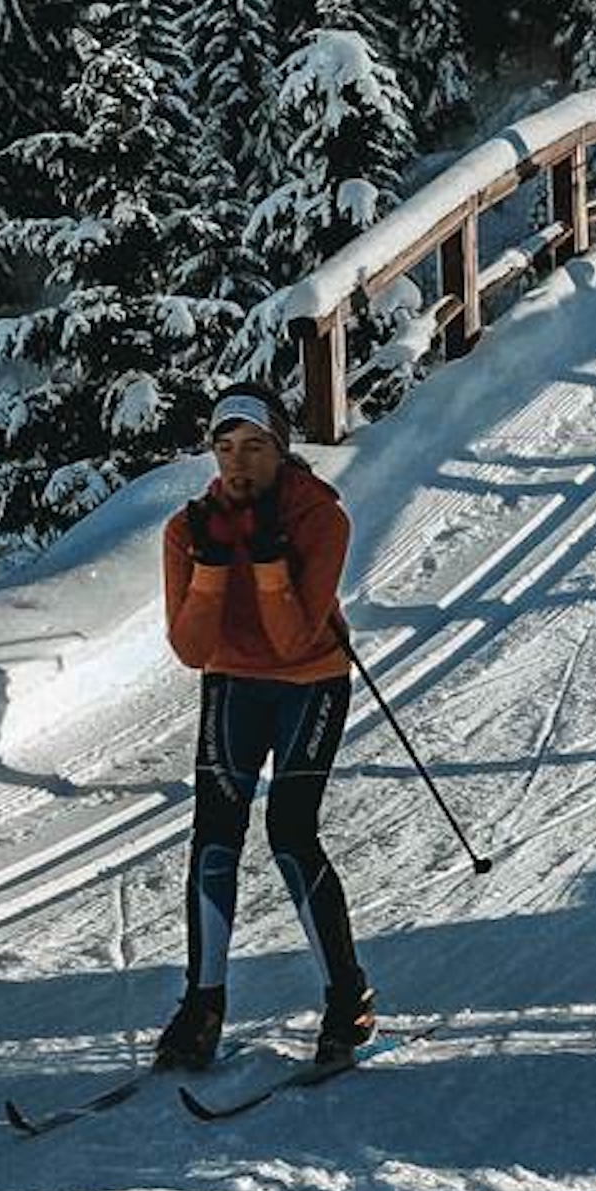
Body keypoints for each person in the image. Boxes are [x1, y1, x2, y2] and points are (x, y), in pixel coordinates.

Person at [153, 382, 375, 1071]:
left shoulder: (321, 520)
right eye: (224, 448)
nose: (237, 464)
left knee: (289, 829)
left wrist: (271, 559)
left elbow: (289, 637)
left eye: (253, 446)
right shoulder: (186, 530)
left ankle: (347, 995)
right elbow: (190, 649)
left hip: (309, 681)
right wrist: (215, 569)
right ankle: (203, 1002)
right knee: (215, 833)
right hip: (231, 683)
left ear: (281, 449)